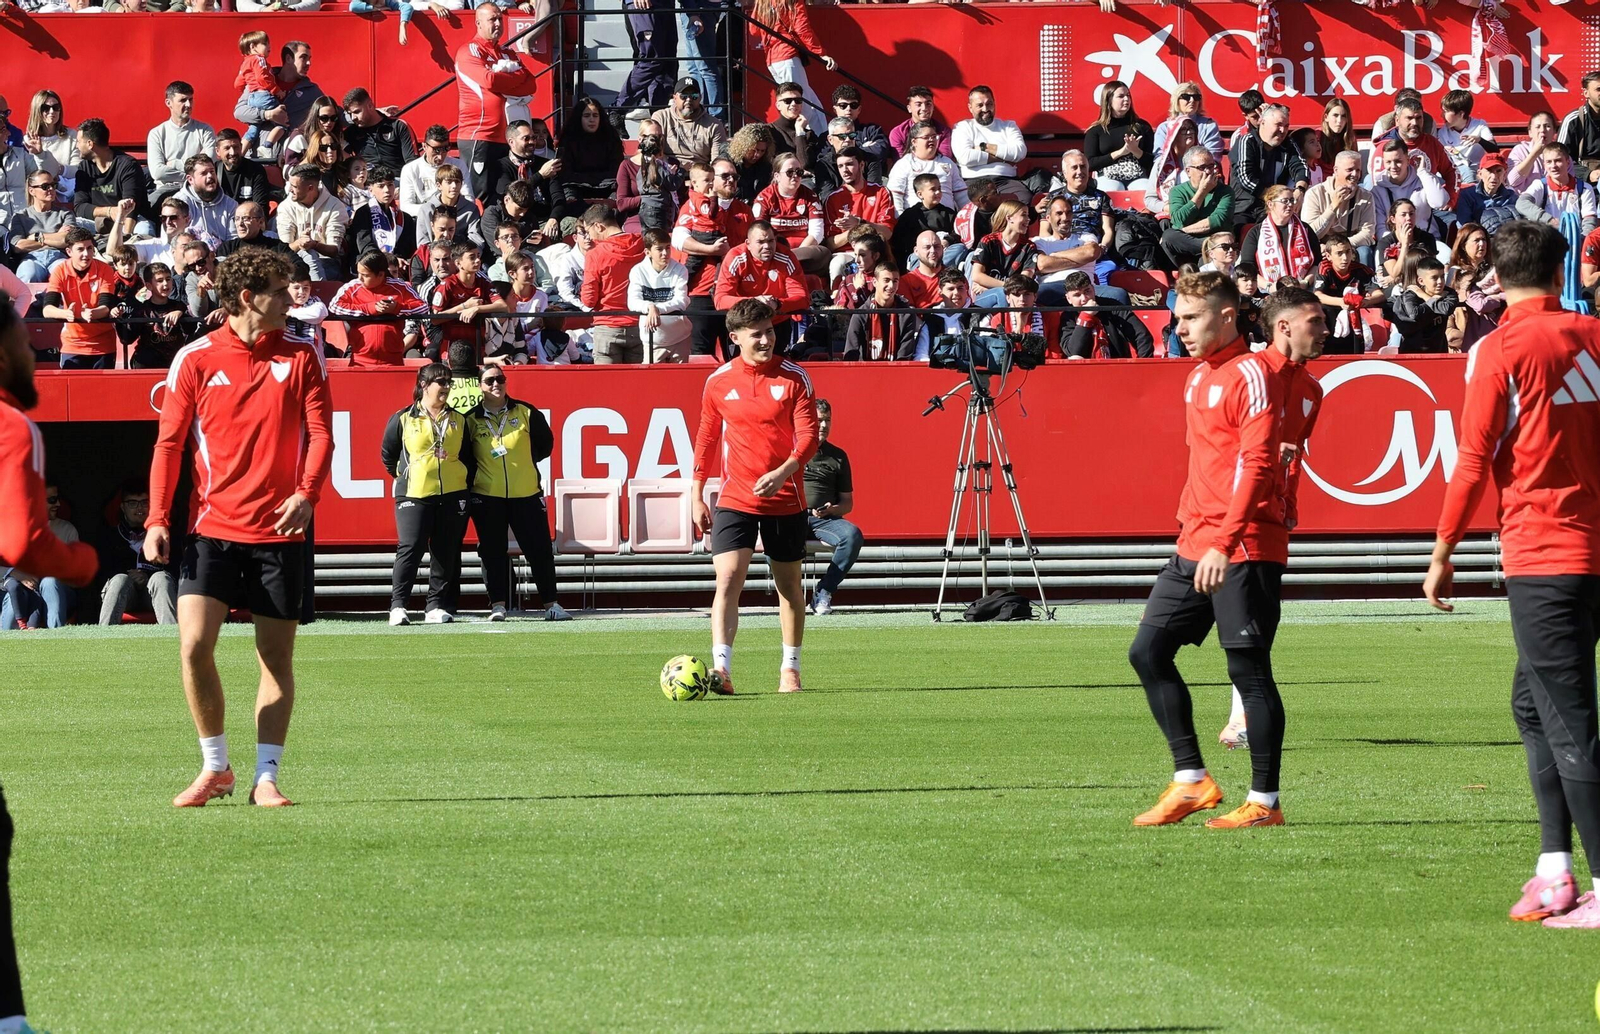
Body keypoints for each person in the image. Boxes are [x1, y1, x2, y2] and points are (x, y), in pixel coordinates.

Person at [1424, 219, 1600, 927]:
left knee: (1569, 722)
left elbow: (1472, 459)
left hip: (1545, 552)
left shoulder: (1497, 349)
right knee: (1533, 708)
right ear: (1562, 269)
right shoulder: (1593, 336)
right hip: (1587, 546)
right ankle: (1554, 870)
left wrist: (1443, 551)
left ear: (1492, 273)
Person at [144, 246, 331, 808]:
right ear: (248, 298)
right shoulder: (195, 359)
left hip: (280, 533)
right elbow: (169, 445)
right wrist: (157, 518)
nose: (292, 298)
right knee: (194, 646)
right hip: (211, 531)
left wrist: (307, 495)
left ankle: (266, 776)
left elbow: (321, 434)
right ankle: (215, 767)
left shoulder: (302, 353)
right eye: (281, 289)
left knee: (275, 659)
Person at [1126, 270, 1296, 829]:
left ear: (1227, 316)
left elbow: (1255, 463)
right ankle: (1192, 781)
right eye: (1177, 318)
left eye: (1191, 318)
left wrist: (1225, 540)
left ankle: (1265, 804)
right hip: (1195, 543)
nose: (1180, 329)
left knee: (1249, 672)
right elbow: (1207, 461)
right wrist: (1191, 530)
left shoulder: (1252, 374)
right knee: (1147, 652)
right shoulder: (1197, 377)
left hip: (1241, 546)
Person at [0, 288, 98, 1034]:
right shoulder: (12, 427)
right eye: (27, 339)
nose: (36, 350)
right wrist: (83, 560)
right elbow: (24, 546)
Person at [1214, 285, 1327, 749]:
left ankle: (1239, 717)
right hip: (1229, 519)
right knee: (1161, 646)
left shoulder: (1311, 389)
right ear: (1283, 327)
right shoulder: (1246, 374)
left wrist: (1291, 501)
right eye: (1315, 322)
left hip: (1269, 523)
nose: (1326, 329)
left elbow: (1294, 454)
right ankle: (1237, 728)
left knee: (1258, 627)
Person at [691, 298, 820, 694]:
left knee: (788, 586)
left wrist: (783, 472)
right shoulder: (718, 381)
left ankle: (790, 668)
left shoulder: (795, 377)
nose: (766, 339)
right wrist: (696, 493)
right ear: (734, 338)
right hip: (735, 497)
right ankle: (722, 669)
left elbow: (810, 437)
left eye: (769, 331)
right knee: (728, 579)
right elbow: (707, 439)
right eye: (757, 333)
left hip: (785, 498)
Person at [464, 366, 568, 622]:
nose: (496, 384)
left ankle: (551, 604)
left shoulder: (527, 412)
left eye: (500, 379)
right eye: (489, 381)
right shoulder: (470, 419)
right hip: (487, 496)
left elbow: (545, 445)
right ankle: (498, 605)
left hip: (526, 493)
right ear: (480, 386)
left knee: (539, 550)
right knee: (492, 551)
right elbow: (465, 457)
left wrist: (523, 465)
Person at [382, 363, 470, 625]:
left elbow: (467, 456)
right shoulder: (403, 418)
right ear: (424, 385)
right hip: (414, 493)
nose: (446, 387)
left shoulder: (459, 419)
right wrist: (406, 475)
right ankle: (398, 606)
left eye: (449, 382)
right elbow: (388, 455)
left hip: (452, 492)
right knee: (410, 548)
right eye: (441, 382)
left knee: (445, 550)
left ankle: (435, 606)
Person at [456, 2, 538, 205]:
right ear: (478, 23)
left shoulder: (508, 53)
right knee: (481, 197)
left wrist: (503, 80)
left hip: (506, 138)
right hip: (479, 136)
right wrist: (511, 79)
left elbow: (531, 84)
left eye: (500, 19)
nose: (498, 23)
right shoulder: (468, 51)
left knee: (506, 195)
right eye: (492, 19)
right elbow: (489, 80)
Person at [713, 221, 808, 353]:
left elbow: (802, 298)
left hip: (776, 325)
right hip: (746, 325)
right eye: (761, 242)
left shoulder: (786, 257)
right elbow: (720, 300)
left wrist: (777, 304)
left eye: (771, 241)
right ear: (748, 244)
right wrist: (755, 302)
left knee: (776, 369)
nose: (767, 246)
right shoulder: (736, 257)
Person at [96, 480, 179, 626]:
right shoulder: (110, 536)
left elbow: (177, 570)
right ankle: (103, 640)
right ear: (122, 507)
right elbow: (101, 572)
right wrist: (130, 577)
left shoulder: (165, 535)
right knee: (119, 579)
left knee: (161, 578)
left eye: (145, 503)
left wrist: (146, 576)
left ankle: (172, 640)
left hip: (154, 593)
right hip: (124, 593)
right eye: (132, 503)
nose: (139, 508)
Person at [748, 0, 836, 137]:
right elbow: (802, 27)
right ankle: (819, 140)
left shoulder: (762, 1)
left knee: (798, 101)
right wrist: (821, 53)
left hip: (773, 59)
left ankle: (811, 138)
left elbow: (753, 30)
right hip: (787, 55)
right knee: (804, 103)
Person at [803, 398, 858, 615]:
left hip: (824, 520)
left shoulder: (838, 456)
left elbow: (848, 503)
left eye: (827, 420)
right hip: (791, 516)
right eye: (818, 420)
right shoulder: (790, 450)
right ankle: (790, 597)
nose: (823, 426)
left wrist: (832, 510)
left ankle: (824, 590)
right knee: (775, 537)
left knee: (852, 535)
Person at [1, 482, 80, 630]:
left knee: (50, 582)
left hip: (57, 591)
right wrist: (14, 573)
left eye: (58, 499)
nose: (57, 504)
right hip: (18, 590)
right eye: (51, 500)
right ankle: (7, 647)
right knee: (16, 596)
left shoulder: (67, 530)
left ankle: (55, 640)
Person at [330, 250, 431, 366]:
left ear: (381, 275)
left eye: (365, 275)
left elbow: (423, 307)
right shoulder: (352, 287)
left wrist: (397, 308)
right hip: (360, 359)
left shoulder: (399, 287)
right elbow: (334, 306)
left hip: (393, 359)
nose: (360, 278)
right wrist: (368, 308)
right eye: (358, 273)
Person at [40, 228, 117, 370]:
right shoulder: (60, 270)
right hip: (72, 345)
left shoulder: (105, 269)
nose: (86, 254)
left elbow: (105, 307)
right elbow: (47, 309)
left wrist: (92, 313)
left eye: (90, 248)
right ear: (69, 252)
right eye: (80, 249)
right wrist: (66, 314)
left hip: (103, 345)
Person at [579, 204, 645, 363]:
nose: (590, 238)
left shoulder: (595, 254)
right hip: (640, 325)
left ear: (598, 226)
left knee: (606, 385)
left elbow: (588, 300)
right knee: (638, 385)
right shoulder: (642, 244)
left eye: (588, 232)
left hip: (607, 326)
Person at [1228, 103, 1308, 227]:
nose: (1283, 131)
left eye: (1286, 126)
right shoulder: (1247, 141)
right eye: (1278, 125)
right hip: (1243, 209)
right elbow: (1246, 178)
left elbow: (1301, 166)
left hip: (1274, 208)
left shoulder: (1288, 144)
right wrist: (1275, 197)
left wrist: (1300, 190)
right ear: (1263, 122)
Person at [823, 148, 897, 280]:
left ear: (862, 165)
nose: (844, 170)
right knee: (837, 264)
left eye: (849, 164)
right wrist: (854, 230)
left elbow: (887, 233)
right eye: (840, 166)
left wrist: (859, 223)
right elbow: (831, 243)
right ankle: (837, 298)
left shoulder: (881, 192)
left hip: (876, 252)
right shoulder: (833, 198)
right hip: (847, 253)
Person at [1368, 95, 1457, 199]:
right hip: (1396, 207)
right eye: (1409, 118)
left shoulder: (1432, 143)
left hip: (1429, 201)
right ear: (1397, 120)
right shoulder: (1384, 148)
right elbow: (1379, 187)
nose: (1414, 123)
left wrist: (1451, 197)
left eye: (1418, 118)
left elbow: (1451, 170)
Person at [950, 86, 1029, 202]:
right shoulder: (962, 127)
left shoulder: (1009, 126)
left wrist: (983, 147)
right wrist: (1003, 158)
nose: (985, 109)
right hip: (973, 182)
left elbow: (1020, 152)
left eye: (989, 104)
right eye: (979, 105)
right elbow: (965, 157)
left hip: (1006, 181)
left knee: (1023, 200)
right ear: (970, 107)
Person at [754, 153, 828, 275]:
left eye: (798, 172)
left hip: (804, 252)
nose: (795, 176)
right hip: (775, 250)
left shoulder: (810, 196)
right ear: (777, 176)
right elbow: (759, 232)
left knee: (823, 254)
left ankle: (787, 264)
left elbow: (817, 232)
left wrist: (797, 253)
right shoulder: (765, 198)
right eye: (789, 172)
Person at [73, 118, 149, 237]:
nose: (76, 146)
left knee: (144, 232)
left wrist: (124, 240)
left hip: (131, 221)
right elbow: (80, 208)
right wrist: (109, 211)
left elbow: (131, 209)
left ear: (90, 144)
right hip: (98, 221)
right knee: (71, 225)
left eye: (78, 141)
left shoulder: (128, 165)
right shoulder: (84, 168)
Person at [554, 98, 624, 226]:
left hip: (607, 186)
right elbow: (566, 172)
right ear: (579, 118)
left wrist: (601, 182)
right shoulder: (568, 140)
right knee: (568, 194)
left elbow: (617, 170)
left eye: (595, 115)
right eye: (587, 116)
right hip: (577, 186)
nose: (592, 119)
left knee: (619, 197)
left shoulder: (611, 138)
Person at [146, 81, 218, 206]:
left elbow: (209, 162)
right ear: (169, 103)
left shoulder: (205, 130)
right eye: (183, 100)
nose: (189, 104)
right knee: (144, 214)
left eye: (191, 99)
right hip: (166, 192)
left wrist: (174, 163)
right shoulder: (156, 133)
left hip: (197, 191)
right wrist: (194, 173)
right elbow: (158, 172)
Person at [1240, 185, 1320, 295]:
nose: (1290, 204)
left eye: (1292, 200)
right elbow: (1248, 267)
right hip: (1269, 293)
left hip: (1303, 291)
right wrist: (1269, 287)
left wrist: (1305, 283)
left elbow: (1317, 261)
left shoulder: (1305, 229)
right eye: (1285, 201)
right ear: (1270, 204)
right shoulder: (1256, 233)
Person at [1161, 146, 1233, 268]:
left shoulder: (1225, 191)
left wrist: (1181, 231)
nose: (1208, 171)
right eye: (1202, 167)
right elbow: (1178, 219)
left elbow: (1218, 220)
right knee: (1169, 236)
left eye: (1211, 166)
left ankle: (1207, 250)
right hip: (1188, 244)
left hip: (1215, 242)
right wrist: (1202, 192)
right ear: (1188, 171)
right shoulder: (1177, 191)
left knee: (1211, 252)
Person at [1300, 150, 1376, 265]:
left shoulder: (1366, 196)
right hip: (1322, 247)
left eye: (1358, 170)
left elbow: (1367, 233)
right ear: (1335, 170)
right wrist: (1333, 207)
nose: (1355, 175)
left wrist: (1340, 247)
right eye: (1349, 170)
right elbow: (1309, 234)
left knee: (1365, 252)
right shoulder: (1315, 193)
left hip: (1351, 246)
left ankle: (1366, 282)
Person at [1309, 233, 1380, 355]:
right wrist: (1342, 302)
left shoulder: (1361, 270)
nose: (1345, 258)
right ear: (1328, 256)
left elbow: (1380, 294)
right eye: (1339, 253)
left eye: (1348, 252)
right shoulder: (1325, 268)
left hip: (1354, 320)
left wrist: (1365, 302)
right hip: (1330, 320)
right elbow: (1318, 296)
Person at [627, 228, 690, 362]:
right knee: (650, 381)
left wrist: (657, 309)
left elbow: (682, 300)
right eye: (659, 249)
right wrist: (650, 307)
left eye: (668, 248)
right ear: (647, 252)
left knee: (681, 381)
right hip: (652, 340)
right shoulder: (638, 271)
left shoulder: (680, 269)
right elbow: (632, 301)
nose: (665, 253)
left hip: (680, 337)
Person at [276, 164, 348, 281]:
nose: (289, 190)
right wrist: (300, 243)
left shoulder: (335, 206)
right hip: (295, 260)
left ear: (310, 188)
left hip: (326, 262)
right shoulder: (285, 207)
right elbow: (284, 251)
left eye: (294, 186)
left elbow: (334, 250)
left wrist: (314, 245)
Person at [1081, 80, 1154, 193]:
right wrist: (1121, 152)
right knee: (1113, 190)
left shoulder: (1142, 126)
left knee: (1144, 190)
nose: (1126, 99)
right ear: (1109, 100)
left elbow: (1152, 162)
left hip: (1138, 176)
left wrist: (1135, 151)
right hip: (1107, 177)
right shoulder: (1096, 131)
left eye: (1128, 96)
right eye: (1121, 96)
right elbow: (1090, 163)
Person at [1059, 270, 1152, 359]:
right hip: (1085, 371)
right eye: (1077, 295)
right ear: (1068, 299)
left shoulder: (1112, 306)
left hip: (1117, 367)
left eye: (1087, 291)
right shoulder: (1068, 317)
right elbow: (1073, 352)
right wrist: (1085, 317)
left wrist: (1144, 366)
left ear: (1093, 289)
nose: (1084, 299)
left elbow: (1141, 335)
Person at [1371, 139, 1450, 241]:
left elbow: (1439, 202)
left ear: (1408, 160)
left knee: (1447, 255)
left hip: (1427, 240)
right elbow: (1380, 228)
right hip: (1395, 243)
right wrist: (1396, 244)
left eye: (1398, 161)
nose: (1393, 166)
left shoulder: (1423, 179)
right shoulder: (1378, 188)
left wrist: (1422, 172)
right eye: (1388, 162)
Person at [886, 121, 968, 217]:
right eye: (926, 137)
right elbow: (895, 197)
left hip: (947, 220)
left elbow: (962, 196)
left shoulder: (948, 163)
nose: (931, 140)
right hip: (916, 222)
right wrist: (900, 221)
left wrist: (967, 216)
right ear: (914, 142)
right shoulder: (904, 164)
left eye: (934, 137)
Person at [1517, 143, 1599, 237]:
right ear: (1544, 165)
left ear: (1568, 162)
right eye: (1549, 162)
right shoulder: (1540, 185)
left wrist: (1580, 241)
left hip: (1575, 241)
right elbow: (1521, 203)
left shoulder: (1584, 188)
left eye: (1558, 161)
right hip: (1547, 241)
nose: (1553, 166)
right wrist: (1550, 220)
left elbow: (1589, 221)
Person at [618, 0, 679, 121]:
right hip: (643, 5)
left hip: (666, 5)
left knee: (667, 61)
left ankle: (659, 120)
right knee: (651, 58)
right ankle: (617, 109)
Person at [1447, 222, 1504, 351]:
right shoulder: (1456, 272)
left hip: (1494, 331)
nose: (1481, 244)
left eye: (1484, 240)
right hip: (1467, 333)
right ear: (1463, 245)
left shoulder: (1494, 270)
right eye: (1476, 240)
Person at [615, 119, 679, 234]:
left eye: (660, 137)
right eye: (652, 137)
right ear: (640, 139)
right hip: (638, 219)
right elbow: (621, 204)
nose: (657, 141)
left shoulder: (672, 164)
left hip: (668, 217)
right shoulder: (628, 166)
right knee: (653, 234)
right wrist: (649, 198)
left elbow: (679, 197)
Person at [843, 264, 916, 361]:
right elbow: (851, 355)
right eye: (886, 280)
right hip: (866, 372)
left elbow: (904, 355)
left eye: (895, 281)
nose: (891, 286)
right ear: (874, 282)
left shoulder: (907, 314)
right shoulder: (860, 314)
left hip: (897, 372)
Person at [233, 30, 290, 156]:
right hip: (264, 95)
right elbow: (262, 78)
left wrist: (248, 89)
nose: (269, 46)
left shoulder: (245, 63)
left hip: (252, 98)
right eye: (265, 43)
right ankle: (267, 146)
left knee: (253, 128)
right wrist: (277, 90)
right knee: (283, 123)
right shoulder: (259, 59)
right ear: (253, 47)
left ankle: (240, 154)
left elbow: (238, 83)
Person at [8, 170, 71, 282]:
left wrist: (36, 237)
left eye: (53, 185)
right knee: (27, 276)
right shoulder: (20, 216)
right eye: (45, 186)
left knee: (67, 276)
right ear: (32, 191)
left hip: (59, 257)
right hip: (32, 258)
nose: (51, 189)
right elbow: (18, 246)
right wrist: (56, 237)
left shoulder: (65, 213)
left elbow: (67, 240)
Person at [651, 78, 729, 169]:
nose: (689, 100)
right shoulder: (660, 117)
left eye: (694, 96)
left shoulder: (714, 125)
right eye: (683, 96)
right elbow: (652, 152)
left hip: (699, 174)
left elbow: (717, 162)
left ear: (700, 98)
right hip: (667, 171)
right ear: (675, 98)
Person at [1389, 254, 1458, 354]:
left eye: (1442, 277)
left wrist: (1424, 296)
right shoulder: (1411, 294)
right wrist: (1432, 299)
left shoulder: (1448, 293)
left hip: (1438, 352)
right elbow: (1414, 314)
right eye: (1434, 278)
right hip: (1411, 354)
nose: (1440, 282)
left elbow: (1446, 309)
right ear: (1421, 281)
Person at [343, 88, 419, 173]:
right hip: (367, 183)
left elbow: (412, 163)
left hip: (398, 181)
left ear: (370, 106)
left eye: (357, 112)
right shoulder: (351, 133)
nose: (353, 118)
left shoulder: (398, 126)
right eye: (350, 114)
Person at [891, 178, 957, 274]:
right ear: (920, 194)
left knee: (960, 248)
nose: (938, 192)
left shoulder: (948, 213)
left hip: (943, 253)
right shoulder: (910, 215)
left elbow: (957, 233)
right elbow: (899, 242)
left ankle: (941, 271)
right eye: (933, 189)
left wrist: (947, 240)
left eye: (939, 188)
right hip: (918, 257)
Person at [172, 155, 238, 247]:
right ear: (190, 179)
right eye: (204, 173)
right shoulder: (179, 204)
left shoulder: (230, 205)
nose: (210, 176)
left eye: (212, 171)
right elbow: (174, 241)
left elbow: (234, 241)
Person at [1153, 82, 1225, 162]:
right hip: (1171, 171)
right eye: (1186, 97)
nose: (1192, 100)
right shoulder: (1164, 128)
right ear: (1176, 101)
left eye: (1196, 97)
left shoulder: (1208, 126)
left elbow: (1212, 156)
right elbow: (1159, 158)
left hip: (1201, 171)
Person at [1436, 88, 1494, 186]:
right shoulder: (1442, 132)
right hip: (1451, 171)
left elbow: (1494, 150)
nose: (1442, 115)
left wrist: (1479, 140)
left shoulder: (1479, 125)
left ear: (1461, 114)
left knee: (1467, 171)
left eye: (1446, 111)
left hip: (1474, 170)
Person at [1453, 153, 1520, 233]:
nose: (1494, 176)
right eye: (1489, 171)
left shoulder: (1512, 197)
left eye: (1499, 171)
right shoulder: (1467, 195)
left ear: (1504, 174)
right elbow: (1465, 228)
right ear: (1480, 174)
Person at [1559, 70, 1600, 188]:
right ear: (1586, 93)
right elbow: (1559, 157)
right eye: (1598, 89)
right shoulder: (1573, 120)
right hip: (1582, 186)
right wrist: (1588, 174)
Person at [214, 130, 274, 207]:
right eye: (227, 148)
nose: (232, 152)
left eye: (236, 147)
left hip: (248, 217)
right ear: (218, 151)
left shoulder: (255, 170)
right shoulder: (213, 171)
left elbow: (260, 208)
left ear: (241, 147)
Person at [889, 86, 951, 159]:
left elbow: (944, 160)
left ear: (933, 107)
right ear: (909, 108)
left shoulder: (944, 131)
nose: (924, 108)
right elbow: (900, 162)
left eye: (928, 104)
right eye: (918, 104)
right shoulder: (898, 133)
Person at [767, 82, 818, 172]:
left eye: (798, 100)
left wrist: (800, 132)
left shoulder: (808, 134)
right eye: (788, 101)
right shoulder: (769, 131)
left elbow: (805, 163)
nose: (794, 104)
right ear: (778, 105)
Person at [1510, 111, 1557, 192]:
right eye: (1538, 127)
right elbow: (1512, 181)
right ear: (1530, 132)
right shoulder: (1520, 150)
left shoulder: (1561, 153)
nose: (1542, 130)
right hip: (1524, 200)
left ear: (1554, 131)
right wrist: (1534, 154)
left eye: (1547, 126)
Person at [728, 123, 774, 203]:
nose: (758, 155)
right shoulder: (727, 163)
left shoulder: (765, 167)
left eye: (762, 151)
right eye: (754, 150)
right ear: (743, 147)